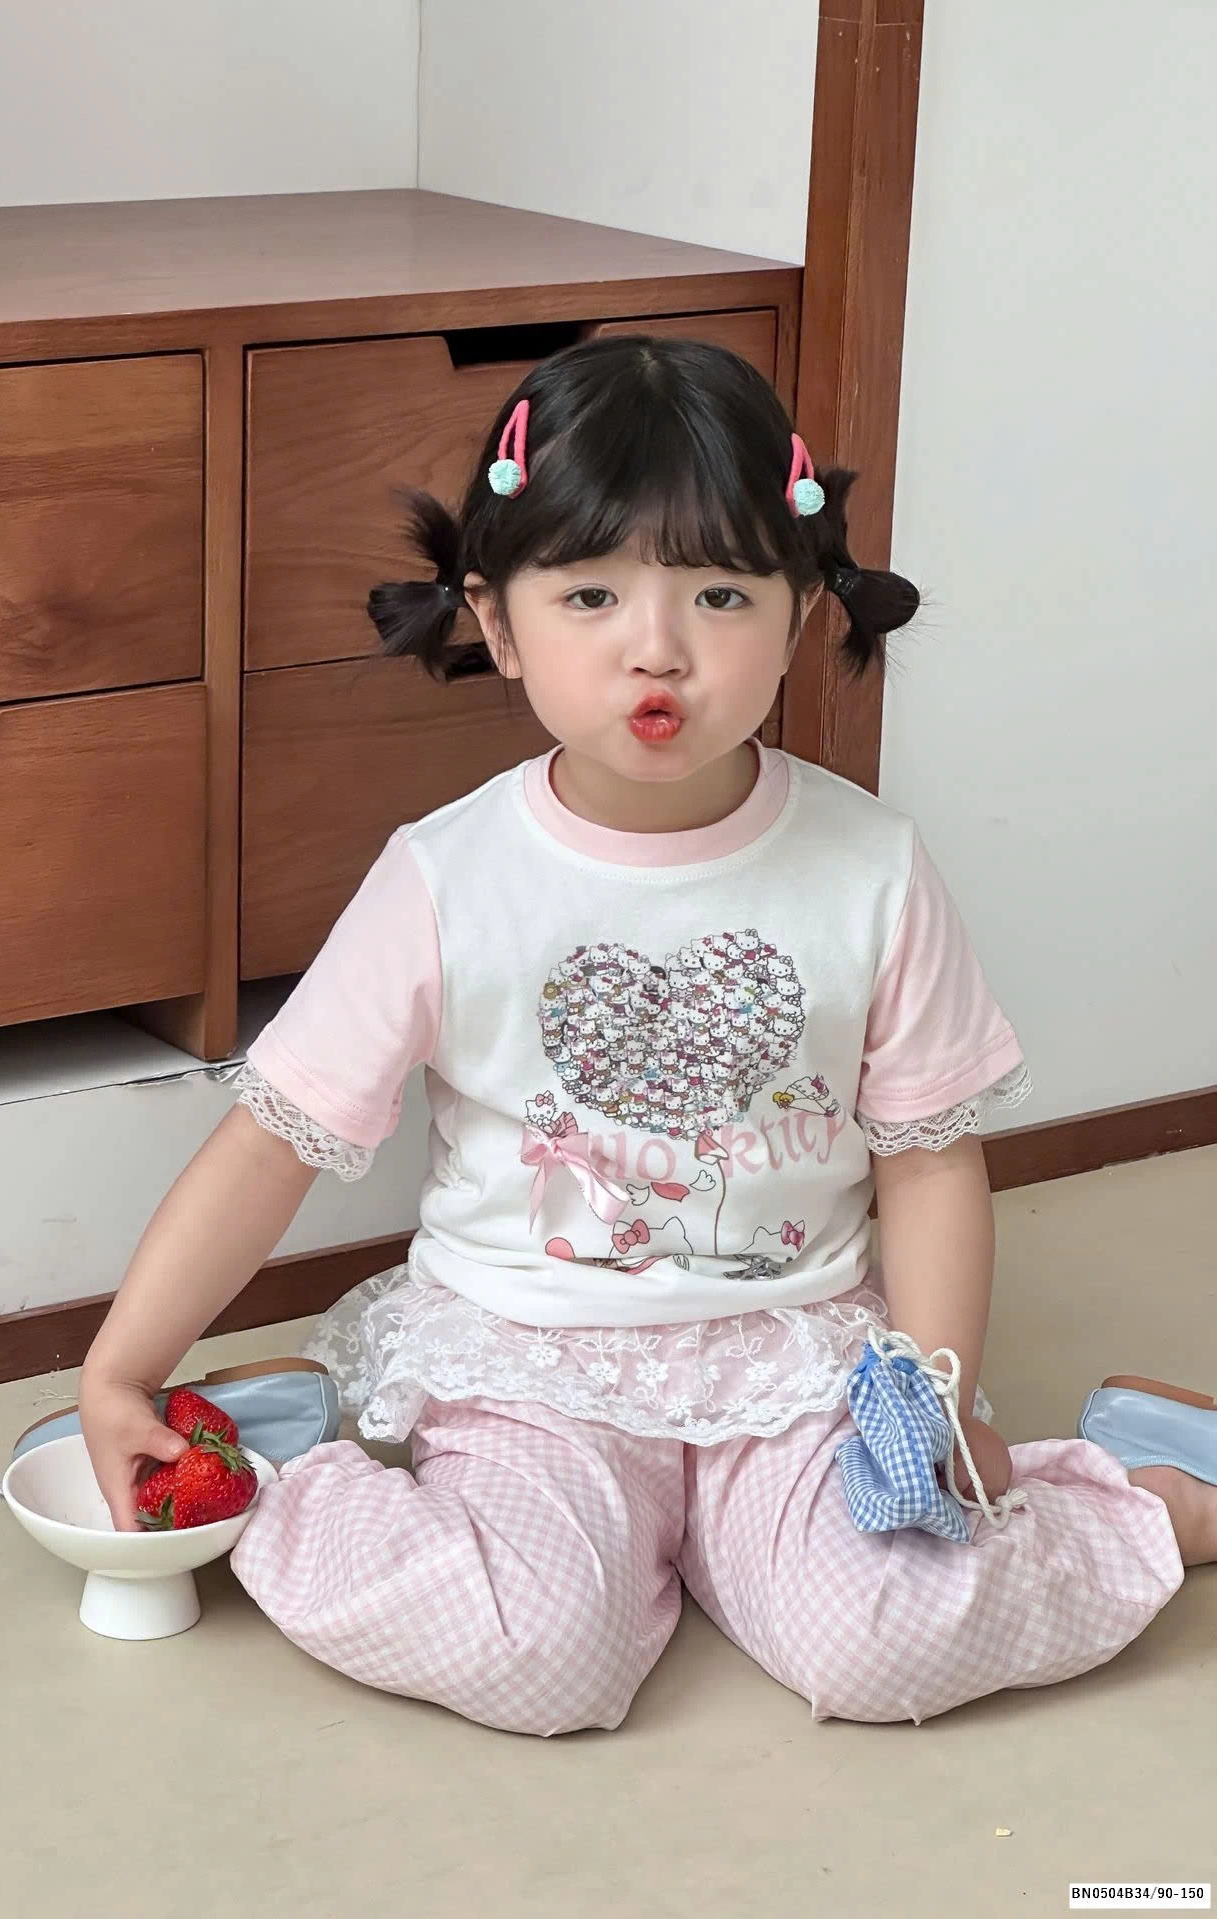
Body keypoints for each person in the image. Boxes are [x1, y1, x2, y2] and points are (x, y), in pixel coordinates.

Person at [80, 336, 1213, 1734]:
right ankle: (264, 1457)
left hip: (795, 1360)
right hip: (529, 1366)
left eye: (721, 593)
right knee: (538, 1656)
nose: (657, 645)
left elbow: (929, 1162)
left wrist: (938, 1391)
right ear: (497, 625)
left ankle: (1145, 1497)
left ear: (802, 614)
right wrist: (122, 1369)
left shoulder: (870, 867)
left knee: (883, 1643)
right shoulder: (446, 878)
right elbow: (276, 1142)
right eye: (592, 593)